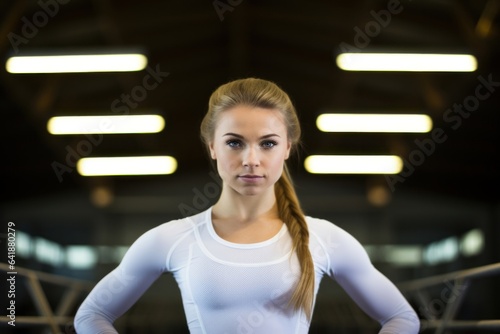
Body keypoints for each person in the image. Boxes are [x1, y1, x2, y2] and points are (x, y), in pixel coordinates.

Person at [74, 77, 420, 333]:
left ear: (287, 147)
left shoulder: (324, 239)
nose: (251, 159)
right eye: (235, 143)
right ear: (212, 146)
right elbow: (90, 317)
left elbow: (402, 319)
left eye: (267, 144)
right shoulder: (173, 239)